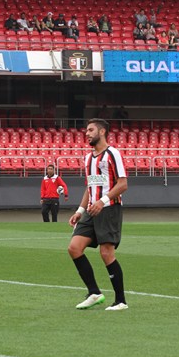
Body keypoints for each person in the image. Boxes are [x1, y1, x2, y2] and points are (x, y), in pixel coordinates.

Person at [68, 118, 128, 311]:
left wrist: (103, 201)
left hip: (109, 208)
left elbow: (123, 184)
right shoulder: (88, 158)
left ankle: (120, 301)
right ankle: (94, 292)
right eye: (86, 130)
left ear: (102, 132)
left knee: (106, 253)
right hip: (92, 210)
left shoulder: (113, 154)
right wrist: (79, 211)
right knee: (74, 248)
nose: (87, 133)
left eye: (91, 130)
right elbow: (90, 186)